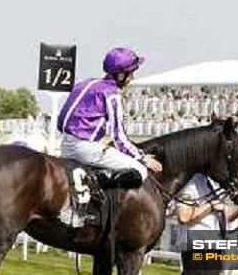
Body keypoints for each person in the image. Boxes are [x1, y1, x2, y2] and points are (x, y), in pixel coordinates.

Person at [57, 47, 162, 189]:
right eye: (131, 74)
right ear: (120, 75)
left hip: (64, 144)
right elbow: (119, 137)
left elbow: (60, 121)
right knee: (140, 171)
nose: (132, 78)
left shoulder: (84, 83)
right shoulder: (112, 94)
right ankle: (94, 185)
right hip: (86, 149)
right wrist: (142, 157)